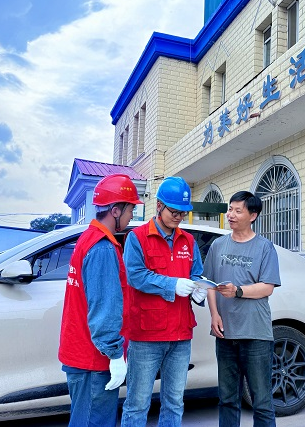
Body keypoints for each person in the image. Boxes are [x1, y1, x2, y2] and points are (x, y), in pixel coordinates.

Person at [121, 176, 207, 427]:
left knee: (174, 402)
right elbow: (136, 276)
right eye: (174, 212)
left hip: (180, 335)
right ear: (159, 206)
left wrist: (198, 289)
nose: (179, 217)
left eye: (183, 213)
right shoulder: (137, 238)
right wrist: (173, 285)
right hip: (147, 335)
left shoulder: (188, 241)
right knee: (137, 404)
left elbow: (195, 274)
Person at [59, 174, 143, 427]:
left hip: (83, 354)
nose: (132, 217)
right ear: (115, 210)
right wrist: (115, 354)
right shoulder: (103, 247)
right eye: (130, 209)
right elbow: (104, 308)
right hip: (94, 359)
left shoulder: (88, 239)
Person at [203, 191, 281, 427]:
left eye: (238, 211)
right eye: (230, 209)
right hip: (225, 334)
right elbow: (209, 284)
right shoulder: (218, 245)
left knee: (262, 401)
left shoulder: (264, 247)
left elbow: (267, 287)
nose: (231, 215)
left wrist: (238, 291)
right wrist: (214, 314)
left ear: (253, 215)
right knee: (227, 399)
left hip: (255, 334)